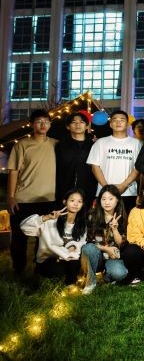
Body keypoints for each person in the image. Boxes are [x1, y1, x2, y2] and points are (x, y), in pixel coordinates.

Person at [7, 109, 58, 273]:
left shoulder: (56, 144)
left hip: (49, 199)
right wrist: (11, 197)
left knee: (45, 237)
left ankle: (41, 269)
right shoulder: (22, 145)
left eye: (46, 121)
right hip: (24, 198)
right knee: (19, 236)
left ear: (50, 125)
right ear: (31, 124)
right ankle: (18, 269)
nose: (43, 125)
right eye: (39, 121)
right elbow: (13, 171)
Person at [19, 189, 87, 285]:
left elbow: (82, 242)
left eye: (79, 201)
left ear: (83, 204)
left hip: (69, 259)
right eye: (72, 200)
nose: (75, 204)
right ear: (65, 202)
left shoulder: (81, 225)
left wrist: (73, 246)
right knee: (59, 268)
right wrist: (46, 217)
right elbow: (24, 227)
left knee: (77, 262)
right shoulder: (51, 221)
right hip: (48, 260)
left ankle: (71, 286)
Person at [87, 110, 141, 211]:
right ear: (110, 124)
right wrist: (107, 189)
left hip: (128, 192)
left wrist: (124, 185)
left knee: (127, 220)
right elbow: (95, 167)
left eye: (122, 120)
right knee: (103, 220)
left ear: (127, 124)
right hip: (104, 193)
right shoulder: (100, 142)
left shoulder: (136, 143)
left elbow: (138, 167)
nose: (118, 122)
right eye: (115, 120)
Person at [80, 185, 129, 294]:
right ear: (100, 200)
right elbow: (88, 242)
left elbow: (121, 244)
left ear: (117, 200)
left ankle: (104, 277)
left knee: (121, 273)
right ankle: (90, 282)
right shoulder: (92, 215)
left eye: (111, 199)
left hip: (112, 258)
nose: (107, 202)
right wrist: (106, 249)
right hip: (96, 254)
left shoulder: (121, 217)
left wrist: (115, 229)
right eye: (104, 199)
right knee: (89, 248)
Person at [54, 112, 96, 209]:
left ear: (87, 126)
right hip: (65, 189)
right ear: (68, 126)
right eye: (74, 122)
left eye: (81, 122)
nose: (78, 125)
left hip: (89, 190)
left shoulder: (94, 145)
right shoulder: (61, 145)